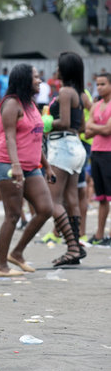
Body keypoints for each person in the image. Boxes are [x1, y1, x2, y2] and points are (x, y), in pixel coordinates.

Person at [0, 64, 54, 277]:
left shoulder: (31, 104)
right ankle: (2, 266)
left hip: (31, 167)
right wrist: (15, 166)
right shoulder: (11, 104)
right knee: (13, 214)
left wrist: (46, 165)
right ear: (25, 80)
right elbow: (9, 136)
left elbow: (36, 137)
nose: (39, 80)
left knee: (46, 208)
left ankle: (17, 253)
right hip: (8, 164)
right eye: (36, 77)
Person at [46, 52, 87, 266]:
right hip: (76, 147)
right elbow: (81, 126)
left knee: (52, 200)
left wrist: (45, 122)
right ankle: (76, 245)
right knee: (72, 198)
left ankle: (71, 248)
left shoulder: (64, 92)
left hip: (62, 146)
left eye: (59, 66)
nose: (56, 69)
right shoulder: (80, 94)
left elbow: (64, 121)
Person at [85, 73, 111, 244]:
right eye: (98, 84)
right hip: (96, 152)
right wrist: (100, 127)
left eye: (103, 84)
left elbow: (108, 131)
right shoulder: (96, 105)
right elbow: (87, 130)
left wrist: (97, 128)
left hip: (109, 153)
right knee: (101, 198)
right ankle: (99, 235)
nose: (99, 87)